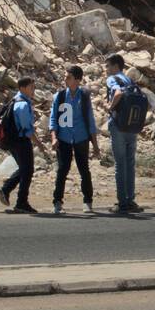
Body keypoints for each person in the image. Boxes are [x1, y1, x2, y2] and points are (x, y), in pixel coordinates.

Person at [49, 65, 99, 214]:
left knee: (84, 170)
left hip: (81, 138)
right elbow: (53, 118)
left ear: (77, 80)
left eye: (69, 77)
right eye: (65, 76)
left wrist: (95, 145)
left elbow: (90, 120)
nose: (65, 79)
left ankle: (88, 201)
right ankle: (57, 202)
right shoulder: (60, 96)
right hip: (63, 139)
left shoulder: (83, 96)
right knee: (62, 171)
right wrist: (53, 137)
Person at [0, 77, 47, 214]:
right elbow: (27, 129)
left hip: (12, 141)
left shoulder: (14, 101)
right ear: (23, 88)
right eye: (31, 87)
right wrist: (39, 144)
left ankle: (6, 190)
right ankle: (21, 202)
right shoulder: (23, 105)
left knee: (25, 169)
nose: (33, 90)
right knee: (28, 170)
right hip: (21, 141)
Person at [104, 54, 144, 214]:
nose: (106, 70)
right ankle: (130, 200)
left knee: (120, 164)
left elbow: (118, 94)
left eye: (107, 66)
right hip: (132, 125)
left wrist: (110, 107)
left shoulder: (112, 79)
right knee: (130, 163)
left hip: (119, 125)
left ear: (115, 66)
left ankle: (122, 203)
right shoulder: (129, 80)